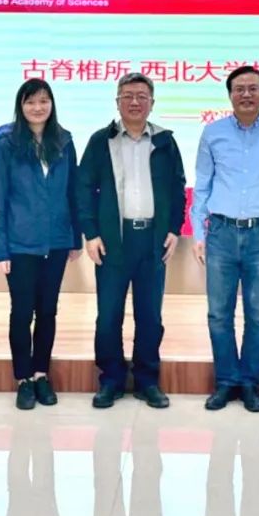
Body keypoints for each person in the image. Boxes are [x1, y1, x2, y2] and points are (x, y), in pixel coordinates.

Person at [77, 73, 186, 410]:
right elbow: (84, 188)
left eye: (141, 96)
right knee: (108, 316)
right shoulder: (101, 141)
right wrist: (91, 233)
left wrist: (174, 228)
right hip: (113, 241)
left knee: (150, 316)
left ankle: (146, 380)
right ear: (117, 102)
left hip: (152, 240)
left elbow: (178, 187)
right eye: (127, 96)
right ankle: (110, 380)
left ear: (152, 102)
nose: (135, 102)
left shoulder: (165, 142)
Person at [191, 65, 259, 413]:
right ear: (230, 94)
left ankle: (250, 382)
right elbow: (202, 185)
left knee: (258, 316)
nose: (246, 94)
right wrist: (198, 230)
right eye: (239, 89)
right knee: (219, 314)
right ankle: (225, 381)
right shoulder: (213, 133)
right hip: (220, 232)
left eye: (253, 88)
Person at [0, 79, 81, 411]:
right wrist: (1, 248)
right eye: (30, 102)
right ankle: (23, 378)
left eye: (43, 101)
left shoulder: (64, 141)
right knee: (22, 312)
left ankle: (42, 374)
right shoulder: (7, 142)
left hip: (56, 241)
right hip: (20, 243)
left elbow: (73, 191)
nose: (37, 108)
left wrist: (75, 238)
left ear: (52, 104)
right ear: (20, 106)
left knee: (48, 310)